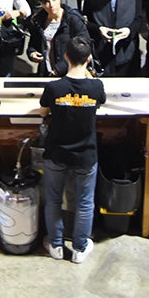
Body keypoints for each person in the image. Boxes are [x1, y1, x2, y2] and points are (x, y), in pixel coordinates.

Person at [40, 35, 106, 264]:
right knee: (85, 202)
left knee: (53, 199)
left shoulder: (54, 87)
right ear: (89, 59)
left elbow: (43, 112)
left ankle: (56, 245)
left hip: (57, 153)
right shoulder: (96, 86)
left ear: (65, 56)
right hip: (86, 155)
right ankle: (79, 248)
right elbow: (100, 101)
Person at [26, 0, 91, 77]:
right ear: (42, 4)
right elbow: (33, 45)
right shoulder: (38, 21)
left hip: (70, 73)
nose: (52, 5)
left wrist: (59, 69)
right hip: (46, 72)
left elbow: (84, 45)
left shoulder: (72, 19)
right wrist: (32, 54)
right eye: (46, 2)